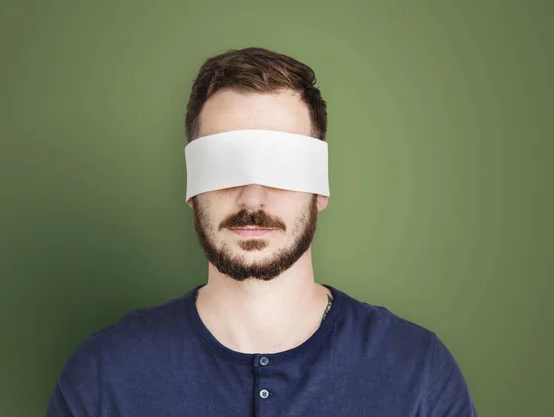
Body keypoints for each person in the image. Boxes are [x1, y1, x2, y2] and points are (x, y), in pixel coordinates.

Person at [47, 47, 477, 416]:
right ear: (192, 187)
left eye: (283, 165)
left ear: (320, 188)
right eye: (224, 164)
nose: (253, 197)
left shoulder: (418, 372)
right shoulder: (105, 377)